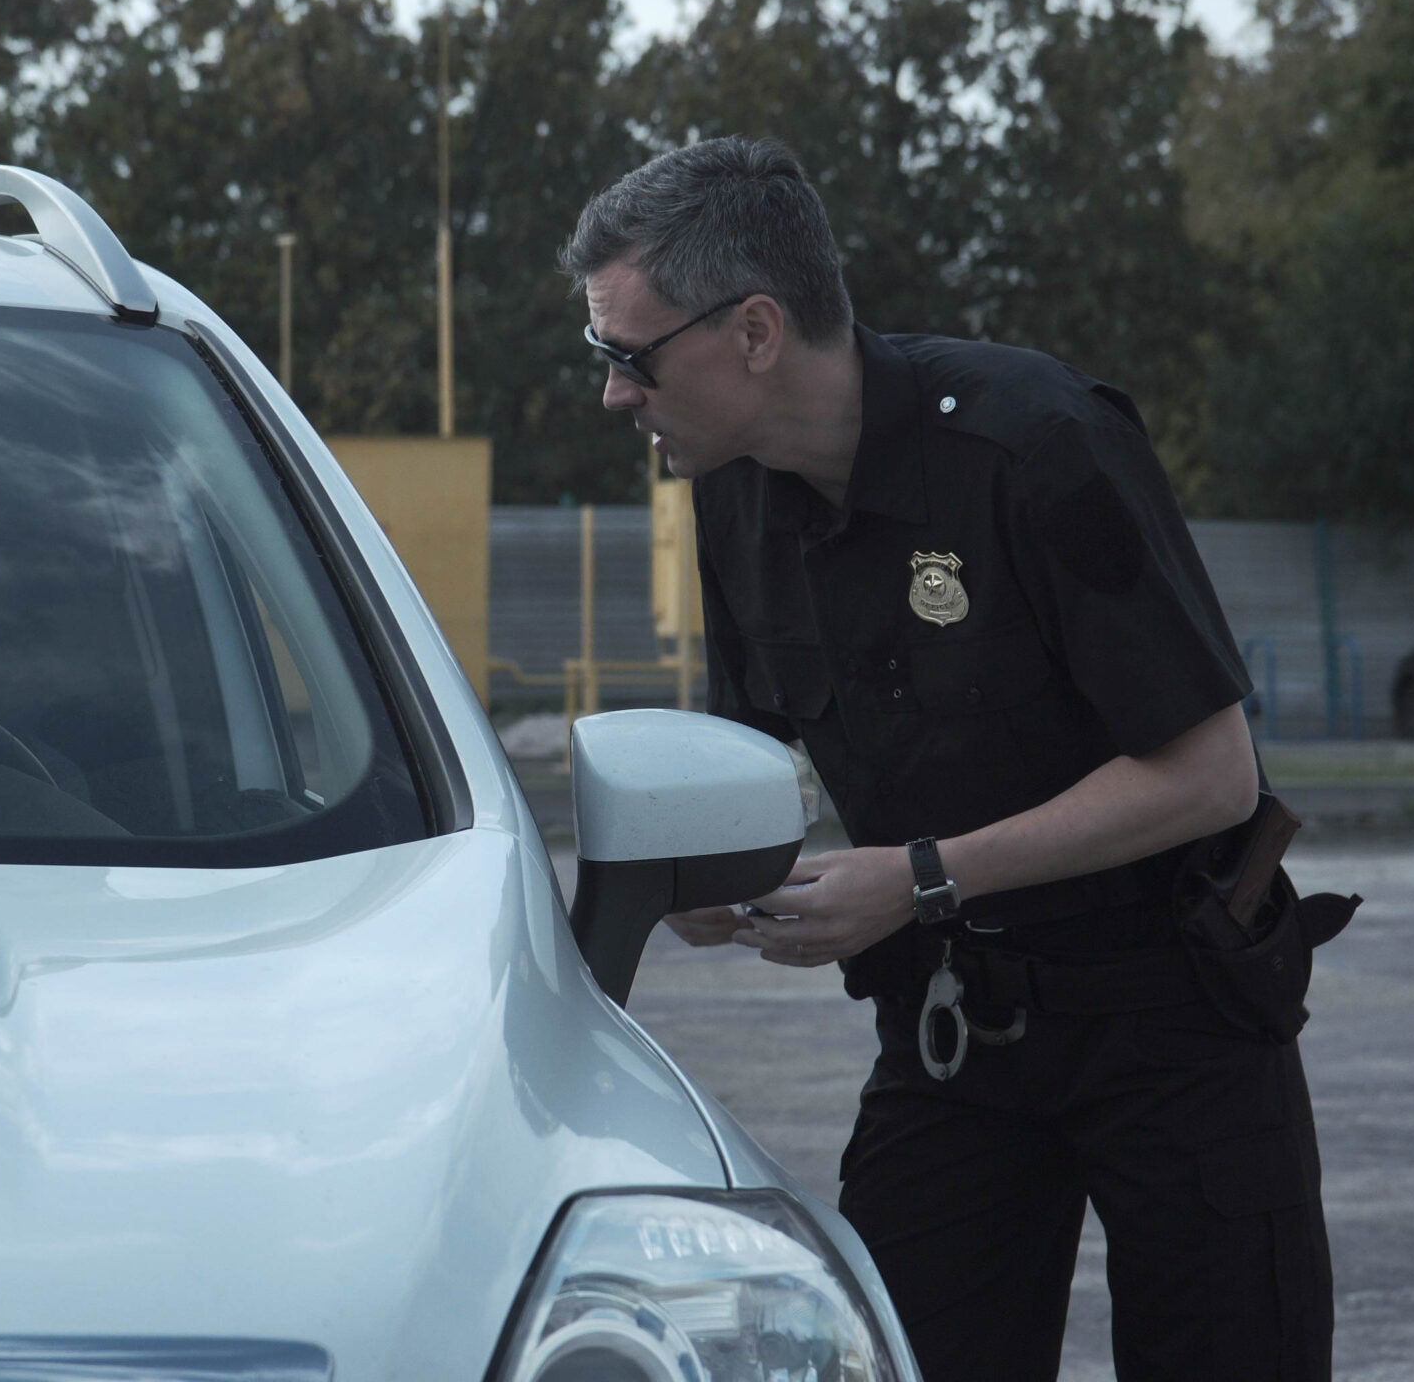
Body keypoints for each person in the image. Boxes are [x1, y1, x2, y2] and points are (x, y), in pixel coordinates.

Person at [559, 136, 1332, 1382]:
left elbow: (1208, 775)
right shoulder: (732, 492)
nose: (612, 396)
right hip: (952, 1033)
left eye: (628, 358)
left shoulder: (1037, 446)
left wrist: (919, 877)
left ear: (754, 331)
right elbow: (747, 762)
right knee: (895, 1355)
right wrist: (708, 879)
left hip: (1172, 1021)